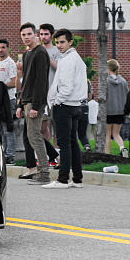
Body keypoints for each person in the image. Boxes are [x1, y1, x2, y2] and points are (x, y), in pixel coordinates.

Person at [43, 28, 87, 189]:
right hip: (75, 106)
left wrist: (55, 102)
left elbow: (66, 87)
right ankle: (77, 179)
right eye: (57, 43)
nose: (59, 45)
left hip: (65, 105)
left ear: (70, 42)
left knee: (64, 143)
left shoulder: (68, 60)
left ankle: (62, 180)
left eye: (62, 42)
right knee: (72, 143)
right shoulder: (76, 59)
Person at [16, 22, 51, 185]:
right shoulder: (27, 54)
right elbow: (26, 81)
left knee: (35, 136)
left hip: (35, 102)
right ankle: (41, 171)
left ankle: (44, 173)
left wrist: (36, 107)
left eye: (29, 34)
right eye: (23, 35)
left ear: (35, 34)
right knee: (32, 136)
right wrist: (20, 103)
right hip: (27, 100)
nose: (26, 37)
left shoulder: (40, 52)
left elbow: (41, 82)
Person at [0, 39, 17, 164]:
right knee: (1, 129)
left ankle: (10, 155)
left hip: (9, 100)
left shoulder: (10, 63)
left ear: (8, 48)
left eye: (3, 47)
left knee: (8, 129)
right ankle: (4, 153)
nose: (0, 50)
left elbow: (13, 82)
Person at [39, 23, 61, 144]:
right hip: (41, 95)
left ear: (51, 36)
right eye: (41, 34)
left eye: (46, 34)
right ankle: (48, 154)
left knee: (57, 126)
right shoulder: (37, 50)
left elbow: (59, 68)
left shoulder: (57, 50)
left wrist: (46, 57)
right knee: (42, 127)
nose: (43, 37)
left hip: (55, 94)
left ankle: (57, 155)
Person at [105, 59, 129, 156]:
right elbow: (128, 95)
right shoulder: (124, 81)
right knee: (116, 134)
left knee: (107, 134)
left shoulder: (106, 81)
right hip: (120, 111)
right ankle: (122, 148)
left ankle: (107, 155)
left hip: (109, 111)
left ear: (108, 69)